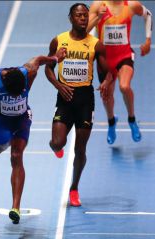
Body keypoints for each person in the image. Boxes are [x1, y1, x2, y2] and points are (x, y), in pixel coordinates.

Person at [0, 51, 66, 224]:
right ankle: (1, 144)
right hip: (1, 121)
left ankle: (15, 207)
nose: (15, 97)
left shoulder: (29, 71)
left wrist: (54, 58)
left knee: (16, 156)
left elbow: (38, 59)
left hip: (22, 120)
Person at [45, 3, 113, 207]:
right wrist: (58, 85)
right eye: (79, 15)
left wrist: (106, 82)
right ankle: (56, 147)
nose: (83, 18)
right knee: (57, 142)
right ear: (71, 18)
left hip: (85, 99)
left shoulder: (96, 44)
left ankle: (74, 188)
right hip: (65, 97)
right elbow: (48, 69)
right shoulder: (59, 40)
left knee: (80, 149)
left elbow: (108, 71)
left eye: (85, 15)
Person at [87, 0, 153, 144]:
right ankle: (111, 122)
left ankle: (132, 119)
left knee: (124, 86)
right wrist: (98, 18)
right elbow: (85, 30)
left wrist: (148, 40)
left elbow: (148, 15)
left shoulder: (131, 5)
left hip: (124, 56)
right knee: (106, 95)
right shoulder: (98, 5)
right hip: (105, 60)